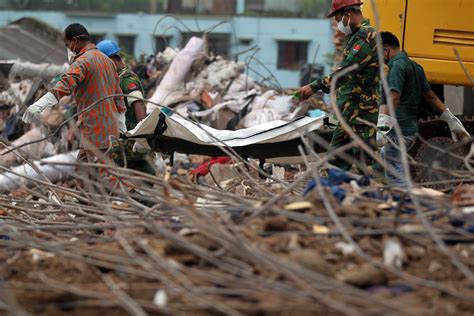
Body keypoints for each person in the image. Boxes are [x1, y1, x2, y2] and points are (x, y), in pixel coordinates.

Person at [22, 23, 126, 190]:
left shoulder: (83, 62)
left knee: (102, 177)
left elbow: (63, 86)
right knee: (83, 172)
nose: (69, 48)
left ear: (76, 41)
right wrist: (120, 124)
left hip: (96, 129)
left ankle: (126, 202)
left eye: (68, 44)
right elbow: (119, 97)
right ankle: (88, 210)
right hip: (105, 129)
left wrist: (39, 105)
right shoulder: (107, 61)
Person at [298, 0, 380, 175]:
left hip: (360, 112)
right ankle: (328, 193)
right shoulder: (356, 36)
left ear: (348, 15)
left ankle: (388, 194)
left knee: (367, 163)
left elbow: (346, 72)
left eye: (337, 19)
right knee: (336, 162)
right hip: (348, 112)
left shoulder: (366, 37)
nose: (337, 24)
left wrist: (315, 86)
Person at [379, 31, 470, 185]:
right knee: (392, 163)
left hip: (398, 130)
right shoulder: (416, 67)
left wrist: (382, 126)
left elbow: (394, 98)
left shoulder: (396, 67)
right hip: (410, 130)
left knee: (395, 176)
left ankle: (406, 204)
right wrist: (451, 119)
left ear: (386, 50)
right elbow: (431, 97)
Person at [96, 39, 155, 176]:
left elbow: (138, 104)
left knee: (110, 172)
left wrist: (142, 135)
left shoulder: (127, 79)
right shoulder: (116, 78)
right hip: (123, 136)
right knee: (142, 173)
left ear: (110, 60)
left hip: (129, 138)